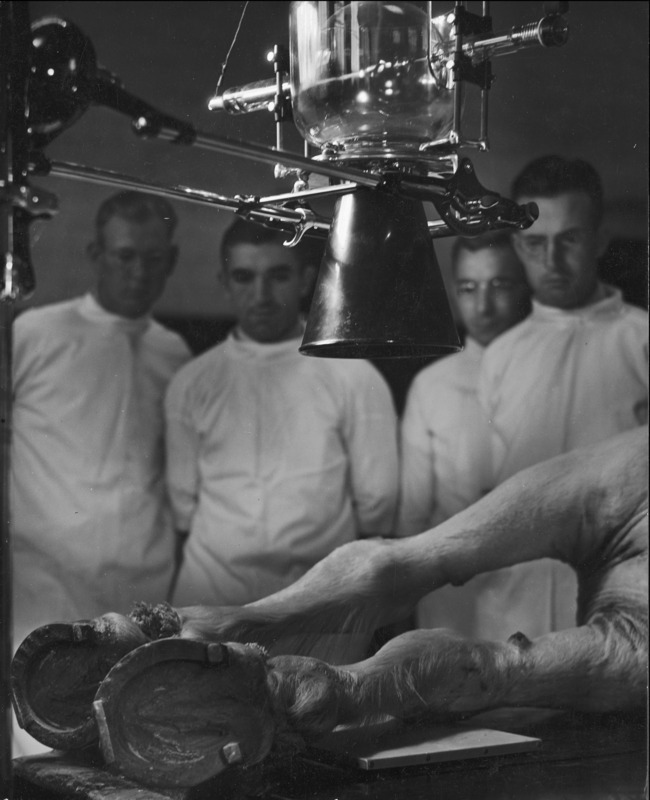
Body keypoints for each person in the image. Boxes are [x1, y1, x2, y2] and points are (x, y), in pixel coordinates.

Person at [164, 217, 399, 611]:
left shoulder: (352, 373)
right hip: (212, 593)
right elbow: (183, 506)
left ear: (306, 280)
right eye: (243, 277)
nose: (261, 295)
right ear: (224, 282)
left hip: (317, 598)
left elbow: (377, 503)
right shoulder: (192, 381)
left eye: (278, 276)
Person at [474, 155, 649, 638]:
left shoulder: (641, 340)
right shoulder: (500, 356)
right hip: (515, 597)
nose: (551, 262)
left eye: (569, 239)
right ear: (516, 243)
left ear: (600, 239)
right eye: (535, 243)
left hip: (621, 595)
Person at [11, 190, 191, 653]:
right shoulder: (35, 333)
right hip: (44, 577)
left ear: (172, 261)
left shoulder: (174, 353)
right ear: (96, 254)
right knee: (40, 717)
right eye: (125, 256)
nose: (139, 272)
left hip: (143, 581)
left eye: (153, 258)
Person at [397, 232, 531, 637]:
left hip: (536, 580)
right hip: (454, 588)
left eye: (500, 285)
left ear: (525, 284)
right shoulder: (432, 384)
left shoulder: (553, 372)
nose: (484, 305)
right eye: (469, 288)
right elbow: (413, 514)